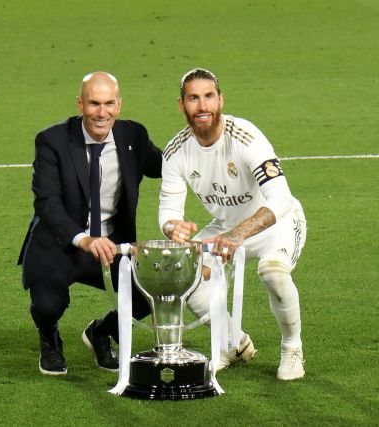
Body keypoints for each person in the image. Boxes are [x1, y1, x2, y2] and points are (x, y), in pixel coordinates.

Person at [158, 68, 307, 380]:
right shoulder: (175, 152)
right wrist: (173, 228)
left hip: (274, 223)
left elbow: (280, 199)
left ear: (221, 100)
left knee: (272, 273)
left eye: (209, 96)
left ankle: (293, 349)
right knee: (183, 271)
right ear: (182, 105)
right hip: (225, 227)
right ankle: (233, 343)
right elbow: (168, 212)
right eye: (194, 98)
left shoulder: (245, 136)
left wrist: (240, 234)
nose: (202, 106)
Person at [18, 71, 162, 376]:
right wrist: (82, 238)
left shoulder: (132, 136)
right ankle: (50, 339)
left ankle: (101, 332)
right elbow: (46, 201)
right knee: (46, 305)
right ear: (80, 104)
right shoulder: (52, 141)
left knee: (153, 294)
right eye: (94, 103)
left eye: (109, 103)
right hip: (62, 244)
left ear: (119, 105)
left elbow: (166, 165)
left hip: (111, 246)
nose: (102, 112)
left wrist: (202, 141)